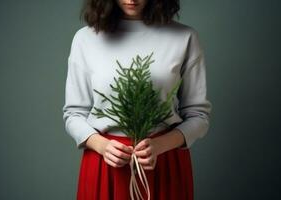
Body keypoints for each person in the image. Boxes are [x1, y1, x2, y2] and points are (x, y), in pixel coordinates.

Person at [62, 0, 212, 199]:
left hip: (164, 161)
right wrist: (101, 145)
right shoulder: (85, 39)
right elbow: (74, 114)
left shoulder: (185, 37)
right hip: (105, 163)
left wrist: (160, 145)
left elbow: (198, 116)